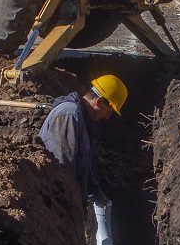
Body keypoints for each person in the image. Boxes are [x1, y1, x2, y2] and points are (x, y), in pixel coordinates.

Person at [38, 74, 126, 206]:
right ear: (99, 102)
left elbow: (80, 166)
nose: (107, 117)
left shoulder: (81, 118)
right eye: (108, 111)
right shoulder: (69, 115)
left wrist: (96, 193)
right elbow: (61, 169)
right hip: (54, 203)